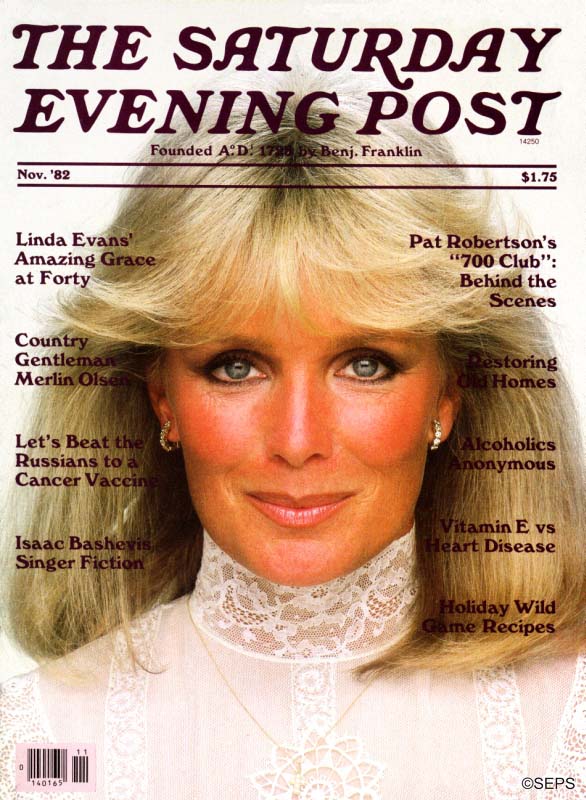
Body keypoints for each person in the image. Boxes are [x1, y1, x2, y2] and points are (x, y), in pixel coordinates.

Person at [1, 83, 584, 800]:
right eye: (235, 367)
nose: (297, 440)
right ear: (162, 399)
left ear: (447, 396)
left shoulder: (571, 719)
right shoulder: (38, 738)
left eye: (365, 365)